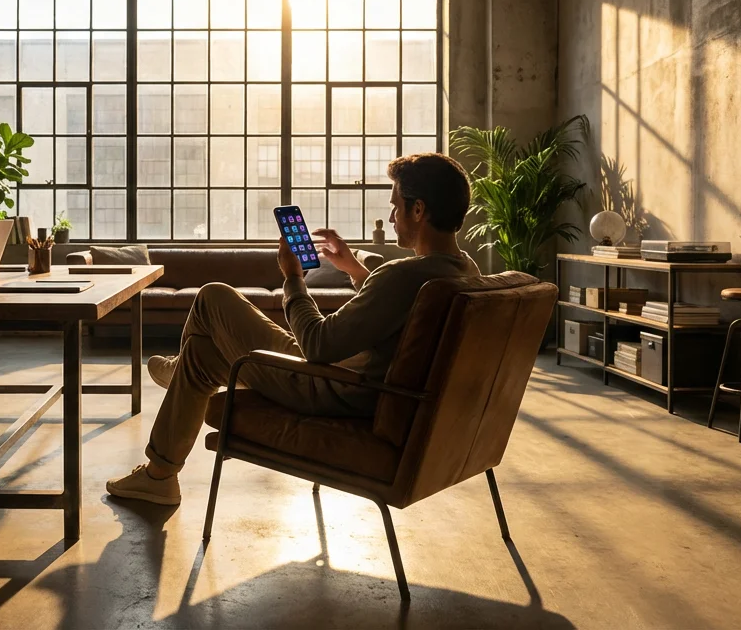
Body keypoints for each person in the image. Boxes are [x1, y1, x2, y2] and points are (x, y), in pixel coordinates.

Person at [106, 153, 483, 505]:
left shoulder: (402, 276)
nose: (392, 213)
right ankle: (159, 477)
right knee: (202, 357)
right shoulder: (463, 271)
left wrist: (292, 277)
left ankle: (172, 388)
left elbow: (318, 345)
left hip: (330, 386)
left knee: (213, 297)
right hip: (356, 381)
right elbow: (404, 313)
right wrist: (353, 269)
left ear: (418, 210)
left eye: (396, 204)